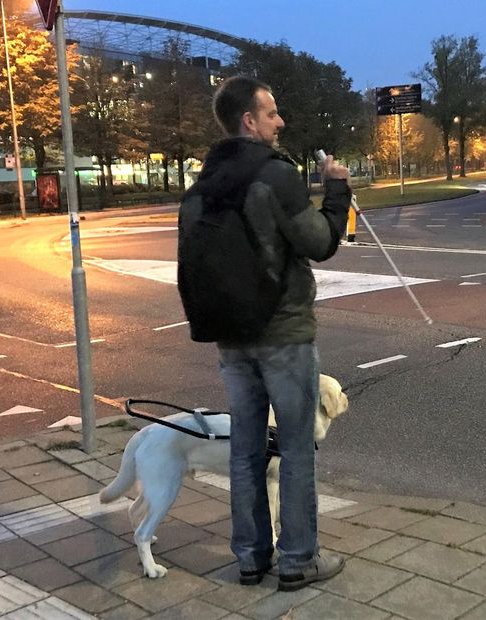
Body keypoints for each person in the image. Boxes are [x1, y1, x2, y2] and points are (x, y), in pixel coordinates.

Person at [178, 76, 351, 591]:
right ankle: (299, 559)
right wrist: (336, 191)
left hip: (230, 337)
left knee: (246, 449)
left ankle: (251, 558)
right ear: (249, 121)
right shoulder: (274, 177)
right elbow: (319, 242)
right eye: (271, 113)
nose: (280, 122)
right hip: (283, 332)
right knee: (296, 448)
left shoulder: (201, 187)